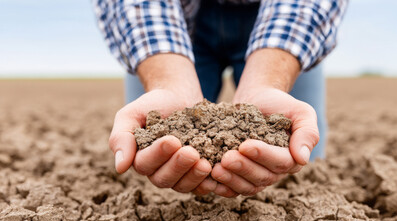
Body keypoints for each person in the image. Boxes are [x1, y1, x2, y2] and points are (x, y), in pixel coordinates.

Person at [94, 0, 348, 197]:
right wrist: (168, 82)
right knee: (154, 159)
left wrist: (268, 80)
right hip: (173, 22)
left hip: (279, 18)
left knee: (300, 164)